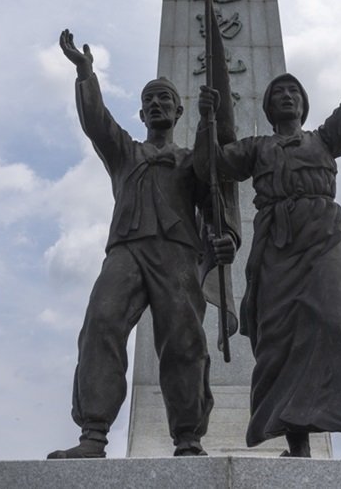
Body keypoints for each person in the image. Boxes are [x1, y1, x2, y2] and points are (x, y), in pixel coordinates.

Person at [196, 31, 341, 460]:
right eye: (279, 92)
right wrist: (205, 120)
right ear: (268, 108)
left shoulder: (323, 139)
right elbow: (213, 165)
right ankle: (296, 442)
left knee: (336, 324)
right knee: (278, 337)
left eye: (293, 92)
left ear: (303, 104)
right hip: (275, 245)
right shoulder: (257, 148)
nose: (287, 96)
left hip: (323, 237)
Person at [48, 30, 236, 459]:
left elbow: (214, 206)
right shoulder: (124, 153)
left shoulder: (192, 160)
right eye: (149, 100)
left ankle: (188, 437)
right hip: (127, 251)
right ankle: (93, 434)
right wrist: (85, 74)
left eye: (165, 98)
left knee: (184, 341)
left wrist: (223, 240)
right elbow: (97, 122)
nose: (157, 104)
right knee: (101, 324)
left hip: (177, 255)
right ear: (141, 112)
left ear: (179, 109)